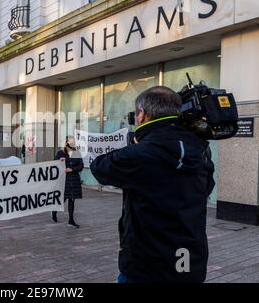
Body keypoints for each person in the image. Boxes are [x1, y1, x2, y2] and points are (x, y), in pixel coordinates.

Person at [90, 86, 215, 283]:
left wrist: (135, 144)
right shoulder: (199, 148)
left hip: (148, 266)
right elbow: (206, 187)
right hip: (190, 261)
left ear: (141, 114)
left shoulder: (143, 152)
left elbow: (100, 167)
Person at [52, 136, 84, 229]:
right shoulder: (60, 153)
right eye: (70, 142)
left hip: (74, 180)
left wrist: (72, 169)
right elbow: (55, 165)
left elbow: (81, 166)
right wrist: (62, 168)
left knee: (72, 199)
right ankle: (54, 210)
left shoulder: (77, 153)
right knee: (63, 198)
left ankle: (71, 220)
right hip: (64, 179)